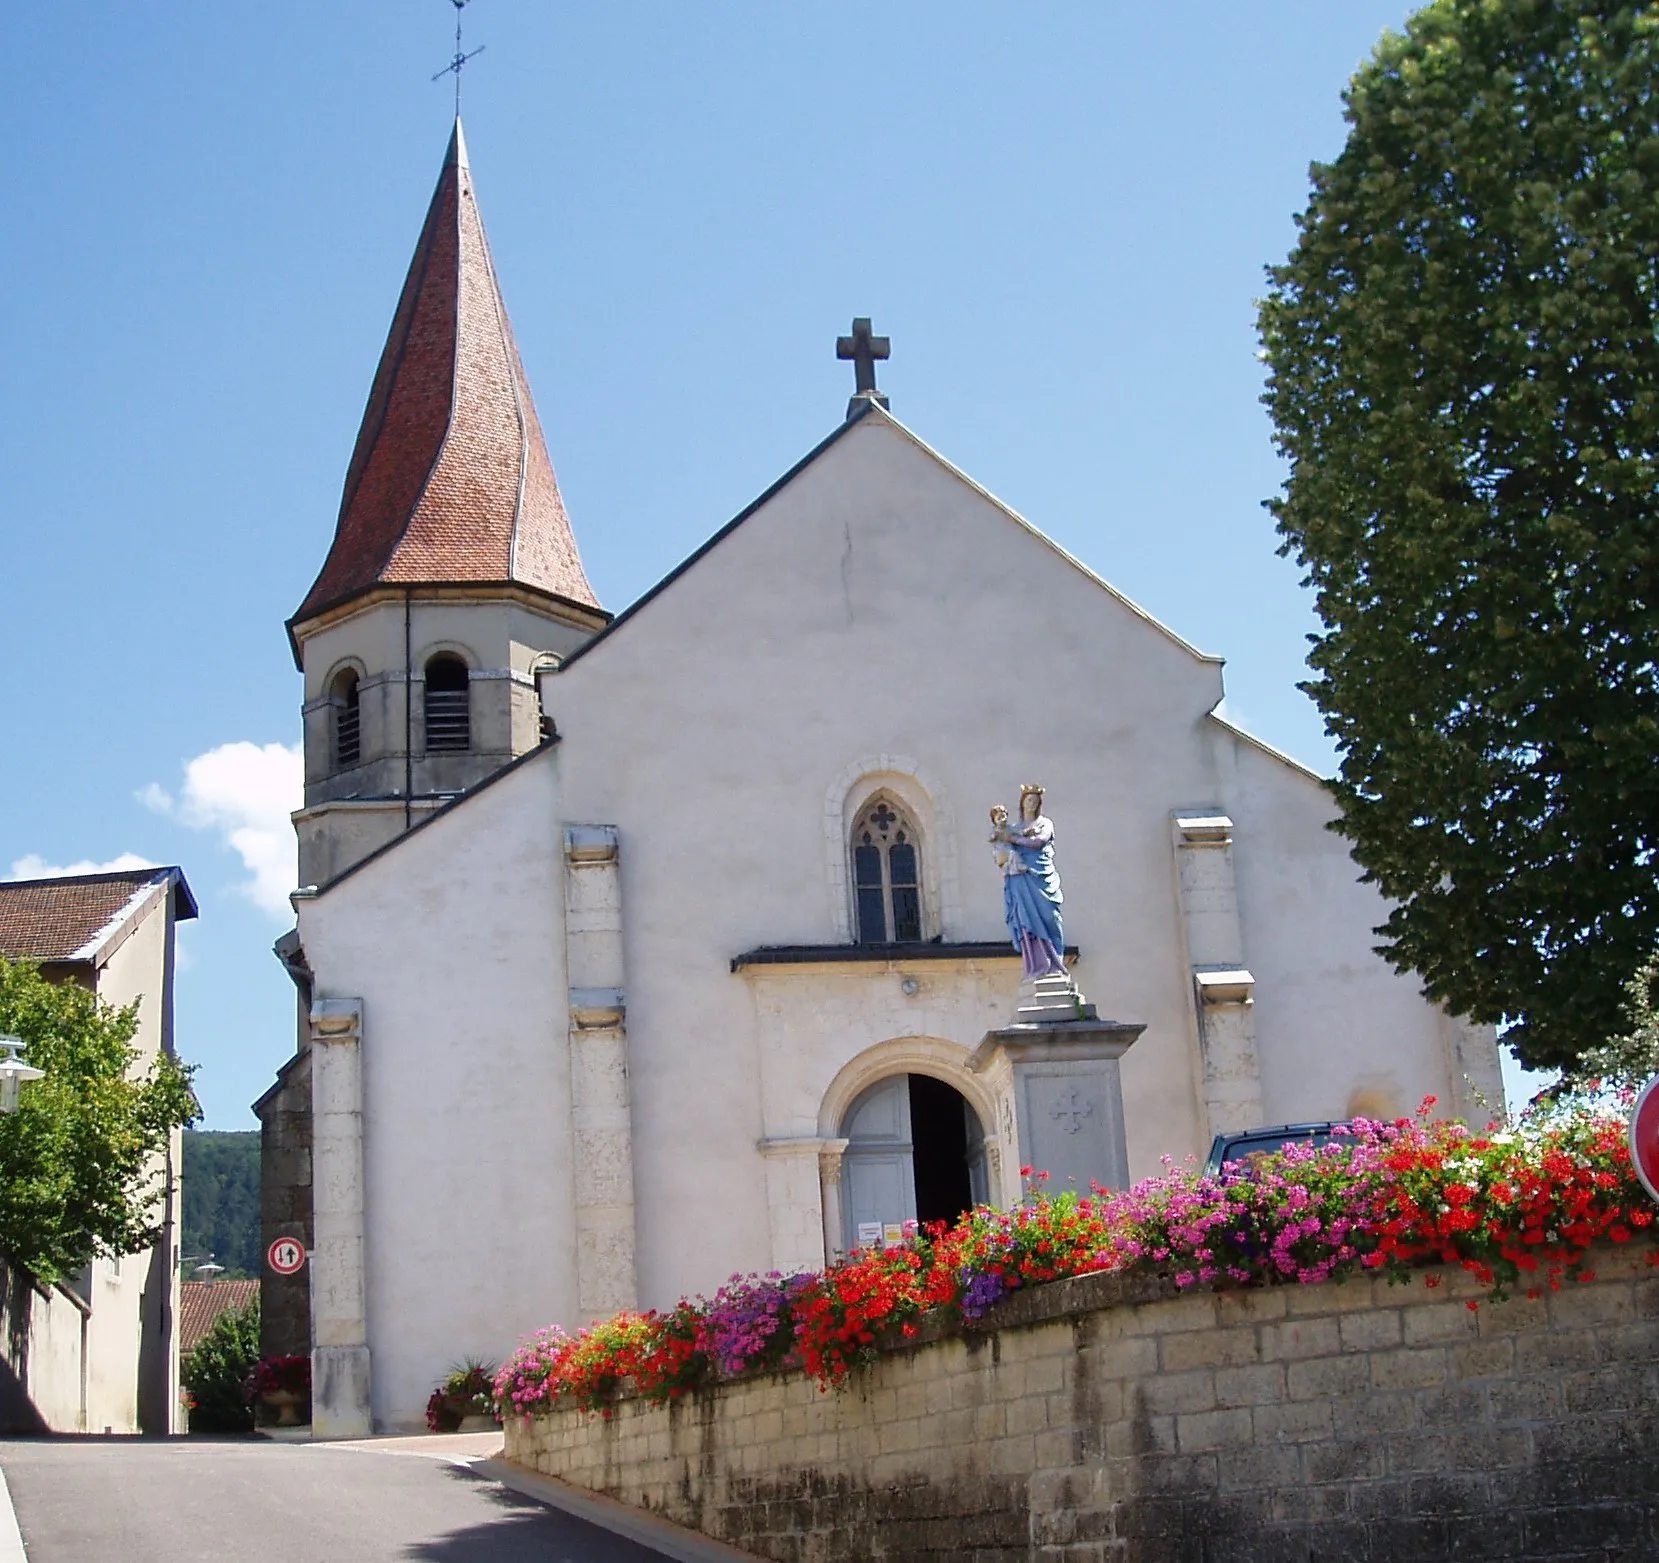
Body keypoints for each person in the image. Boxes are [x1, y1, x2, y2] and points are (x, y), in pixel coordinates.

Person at [989, 784, 1067, 979]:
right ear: (1022, 804)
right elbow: (1000, 851)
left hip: (1041, 875)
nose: (1031, 804)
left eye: (1035, 801)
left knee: (1051, 917)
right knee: (1025, 920)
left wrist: (1014, 839)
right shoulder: (1014, 829)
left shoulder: (1045, 824)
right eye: (1028, 800)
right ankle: (1036, 967)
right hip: (1020, 879)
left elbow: (1039, 842)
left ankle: (1055, 963)